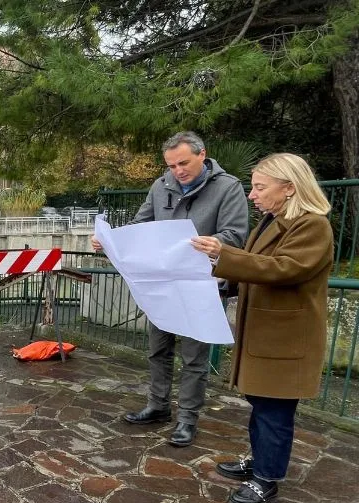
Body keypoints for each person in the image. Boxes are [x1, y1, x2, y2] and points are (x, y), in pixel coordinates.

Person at [191, 153, 332, 503]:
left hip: (286, 337)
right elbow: (257, 270)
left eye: (259, 187)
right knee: (261, 404)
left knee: (274, 411)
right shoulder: (273, 221)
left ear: (289, 188)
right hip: (267, 333)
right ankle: (260, 461)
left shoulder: (312, 225)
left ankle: (266, 479)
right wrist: (224, 281)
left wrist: (224, 256)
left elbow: (285, 269)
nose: (252, 195)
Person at [92, 131, 249, 447]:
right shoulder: (161, 185)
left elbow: (235, 234)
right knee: (158, 349)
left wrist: (215, 242)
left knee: (194, 358)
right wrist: (110, 241)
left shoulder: (228, 187)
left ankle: (188, 419)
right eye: (171, 165)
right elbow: (141, 226)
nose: (178, 171)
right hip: (161, 285)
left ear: (202, 154)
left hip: (200, 285)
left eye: (183, 163)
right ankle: (158, 405)